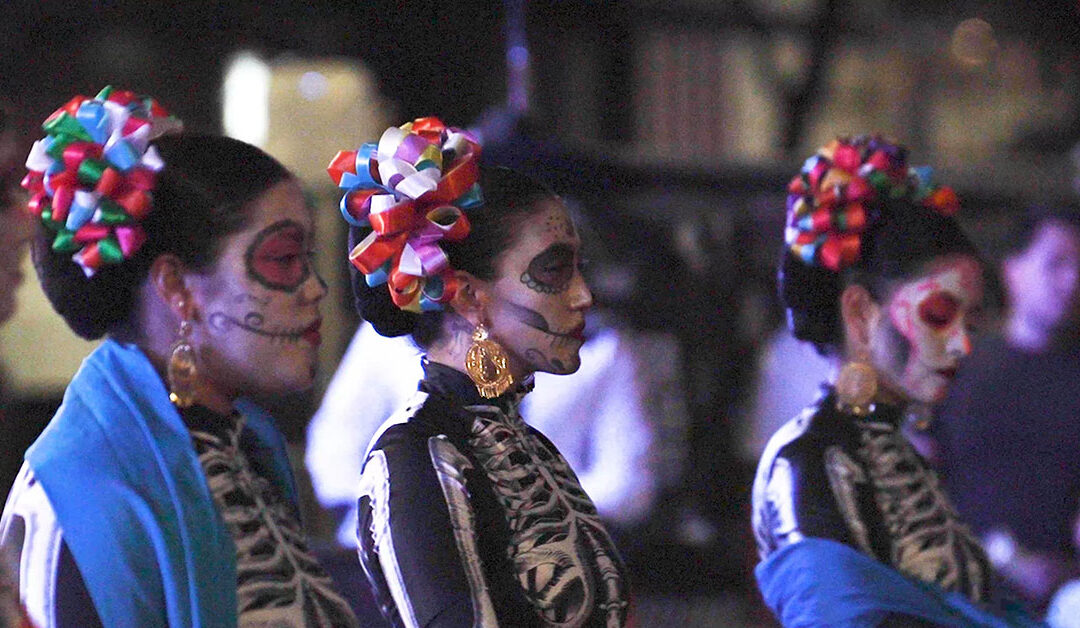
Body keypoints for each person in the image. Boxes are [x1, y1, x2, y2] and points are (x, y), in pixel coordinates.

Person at [0, 88, 358, 627]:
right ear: (177, 287)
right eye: (283, 259)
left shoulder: (247, 444)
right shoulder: (87, 486)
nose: (314, 289)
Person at [327, 117, 630, 626]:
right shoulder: (417, 458)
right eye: (554, 271)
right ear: (469, 296)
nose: (583, 295)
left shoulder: (531, 445)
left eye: (578, 267)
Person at [751, 135, 1041, 627]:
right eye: (938, 315)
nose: (961, 346)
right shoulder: (804, 459)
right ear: (862, 315)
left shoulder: (902, 452)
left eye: (969, 324)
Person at [935, 203, 1080, 611]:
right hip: (962, 583)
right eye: (1057, 264)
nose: (1071, 281)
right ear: (1013, 270)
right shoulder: (957, 369)